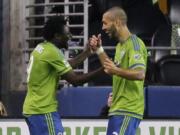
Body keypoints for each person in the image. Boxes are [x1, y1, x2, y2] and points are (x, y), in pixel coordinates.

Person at [23, 16, 103, 135]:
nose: (70, 36)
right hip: (43, 111)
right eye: (67, 33)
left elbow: (68, 65)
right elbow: (75, 80)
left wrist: (88, 51)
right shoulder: (52, 52)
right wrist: (103, 70)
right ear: (57, 36)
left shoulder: (43, 47)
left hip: (35, 110)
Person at [89, 7, 147, 135]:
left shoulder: (135, 44)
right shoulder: (120, 46)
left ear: (117, 22)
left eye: (105, 23)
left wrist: (116, 70)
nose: (103, 28)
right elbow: (110, 68)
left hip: (127, 109)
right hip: (118, 109)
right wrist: (99, 50)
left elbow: (140, 73)